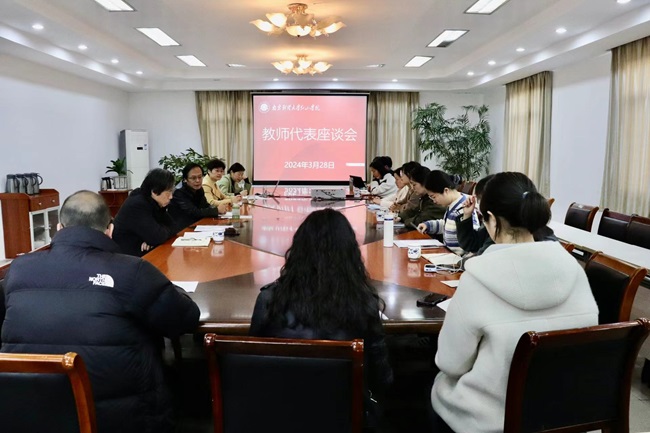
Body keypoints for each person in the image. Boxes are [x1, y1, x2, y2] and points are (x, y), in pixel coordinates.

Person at [0, 190, 200, 433]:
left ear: (59, 228)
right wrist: (170, 287)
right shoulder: (132, 271)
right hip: (121, 421)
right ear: (110, 229)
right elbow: (185, 319)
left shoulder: (18, 269)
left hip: (28, 413)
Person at [429, 172, 599, 433]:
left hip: (492, 420)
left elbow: (451, 363)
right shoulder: (574, 268)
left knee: (433, 390)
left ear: (492, 219)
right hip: (564, 413)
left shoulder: (478, 276)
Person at [249, 208, 393, 425]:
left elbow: (251, 363)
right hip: (343, 417)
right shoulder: (363, 303)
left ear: (298, 250)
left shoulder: (269, 300)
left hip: (275, 414)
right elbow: (382, 377)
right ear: (350, 253)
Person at [457, 174, 559, 262]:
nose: (477, 205)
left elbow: (482, 260)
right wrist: (467, 215)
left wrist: (465, 262)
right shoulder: (502, 225)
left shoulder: (504, 230)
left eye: (479, 201)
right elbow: (472, 244)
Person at [112, 168, 177, 256]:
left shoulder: (153, 201)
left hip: (142, 251)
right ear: (154, 191)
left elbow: (173, 226)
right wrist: (153, 238)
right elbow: (157, 237)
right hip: (126, 256)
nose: (171, 197)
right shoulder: (137, 205)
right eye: (168, 193)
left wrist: (151, 239)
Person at [417, 170, 478, 255]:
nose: (434, 201)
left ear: (446, 190)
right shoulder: (452, 205)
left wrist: (464, 261)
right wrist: (428, 225)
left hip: (459, 259)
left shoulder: (465, 206)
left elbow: (474, 238)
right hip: (449, 255)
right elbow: (447, 225)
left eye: (433, 197)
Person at [168, 163, 228, 231]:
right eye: (193, 178)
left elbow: (205, 206)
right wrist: (216, 210)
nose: (197, 181)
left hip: (197, 225)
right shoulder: (179, 193)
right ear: (185, 179)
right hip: (182, 230)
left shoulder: (199, 189)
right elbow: (194, 212)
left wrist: (217, 208)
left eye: (200, 177)